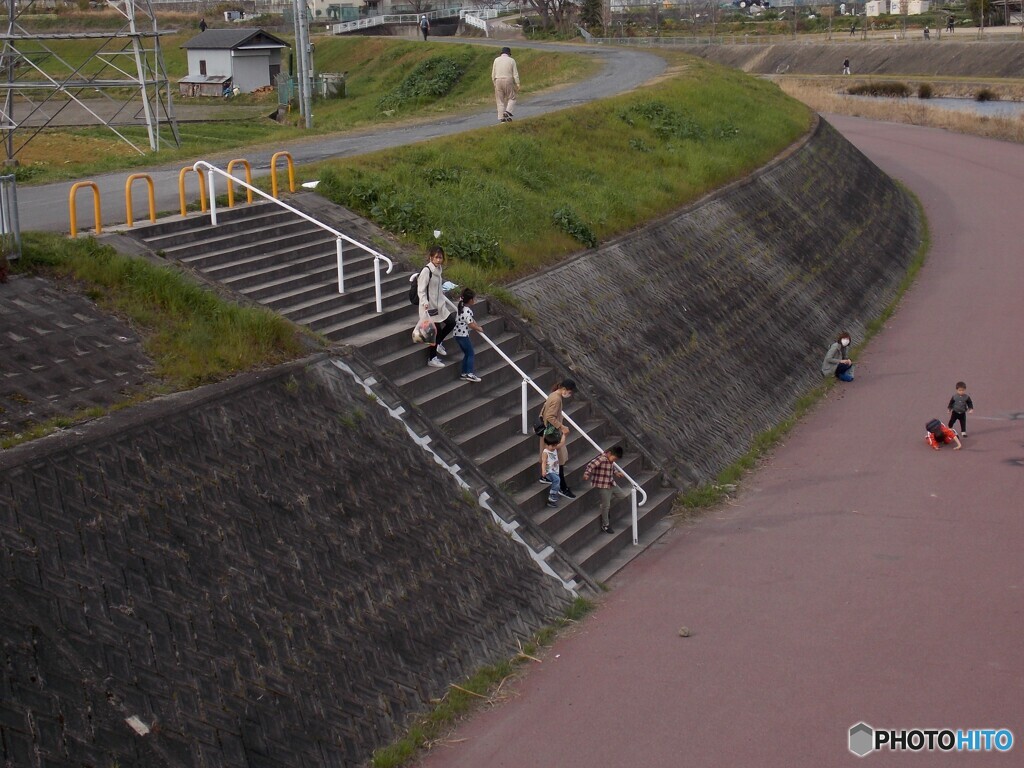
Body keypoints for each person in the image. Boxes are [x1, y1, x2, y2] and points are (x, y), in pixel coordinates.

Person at [537, 379, 577, 498]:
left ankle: (546, 477)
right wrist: (562, 427)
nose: (570, 394)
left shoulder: (553, 395)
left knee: (555, 461)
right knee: (559, 462)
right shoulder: (557, 399)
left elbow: (544, 412)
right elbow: (550, 416)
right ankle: (563, 488)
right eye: (570, 392)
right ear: (564, 389)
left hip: (549, 433)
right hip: (553, 435)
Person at [417, 246, 455, 369]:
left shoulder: (439, 269)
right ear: (431, 258)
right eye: (436, 257)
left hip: (440, 305)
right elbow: (421, 289)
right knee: (436, 331)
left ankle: (438, 344)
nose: (438, 260)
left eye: (440, 257)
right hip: (430, 307)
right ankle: (432, 358)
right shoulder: (427, 271)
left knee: (451, 322)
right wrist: (424, 302)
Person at [584, 446, 630, 535]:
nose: (614, 461)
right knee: (606, 506)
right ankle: (605, 525)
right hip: (603, 485)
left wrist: (616, 473)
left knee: (622, 496)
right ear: (609, 453)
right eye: (614, 458)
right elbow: (590, 465)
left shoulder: (610, 461)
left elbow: (611, 468)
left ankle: (605, 505)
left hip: (611, 483)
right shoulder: (601, 459)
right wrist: (586, 474)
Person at [453, 288, 484, 383]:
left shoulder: (460, 308)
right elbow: (470, 324)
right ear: (470, 300)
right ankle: (470, 373)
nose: (475, 300)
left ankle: (464, 373)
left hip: (457, 335)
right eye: (474, 299)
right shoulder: (467, 311)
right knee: (470, 353)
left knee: (467, 353)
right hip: (463, 335)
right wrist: (479, 328)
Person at [491, 46, 520, 124]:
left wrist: (494, 83)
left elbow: (493, 74)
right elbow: (515, 73)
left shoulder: (496, 60)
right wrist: (517, 83)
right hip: (508, 80)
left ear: (502, 53)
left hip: (498, 80)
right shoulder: (511, 60)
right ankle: (507, 112)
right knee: (512, 98)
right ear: (509, 54)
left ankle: (502, 118)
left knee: (500, 100)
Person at [542, 432, 565, 508]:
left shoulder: (554, 448)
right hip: (549, 471)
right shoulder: (546, 452)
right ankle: (552, 495)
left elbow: (561, 443)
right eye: (552, 446)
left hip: (555, 470)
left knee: (557, 481)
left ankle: (551, 501)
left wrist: (564, 435)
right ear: (546, 445)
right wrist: (543, 471)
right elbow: (544, 462)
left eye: (555, 445)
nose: (554, 447)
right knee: (557, 480)